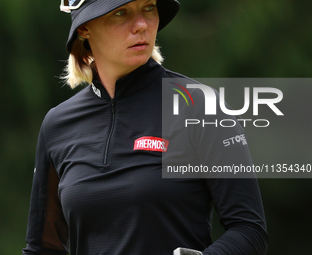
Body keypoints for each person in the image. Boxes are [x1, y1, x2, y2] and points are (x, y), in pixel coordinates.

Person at [22, 0, 268, 254]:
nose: (141, 25)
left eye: (149, 8)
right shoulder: (57, 125)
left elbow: (249, 230)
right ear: (85, 28)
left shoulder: (201, 106)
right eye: (121, 13)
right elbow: (42, 247)